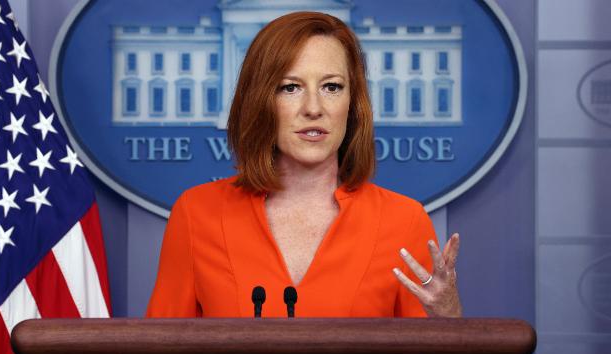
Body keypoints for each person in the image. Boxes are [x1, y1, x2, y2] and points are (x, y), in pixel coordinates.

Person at [146, 12, 462, 318]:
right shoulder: (197, 214)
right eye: (290, 87)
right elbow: (160, 350)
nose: (313, 108)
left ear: (352, 104)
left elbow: (431, 352)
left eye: (331, 87)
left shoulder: (404, 221)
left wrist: (447, 316)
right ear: (259, 101)